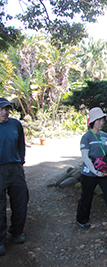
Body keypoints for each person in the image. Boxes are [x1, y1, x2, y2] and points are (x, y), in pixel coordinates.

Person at [76, 107, 107, 232]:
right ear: (92, 121)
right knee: (87, 196)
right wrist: (96, 172)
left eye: (102, 120)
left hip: (105, 172)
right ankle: (81, 219)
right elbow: (85, 158)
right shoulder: (86, 137)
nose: (102, 123)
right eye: (98, 120)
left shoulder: (105, 136)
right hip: (89, 173)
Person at [0, 97, 29, 256]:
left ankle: (16, 232)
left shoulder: (15, 124)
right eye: (1, 109)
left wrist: (20, 162)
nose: (4, 112)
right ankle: (0, 240)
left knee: (21, 201)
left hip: (15, 168)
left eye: (7, 109)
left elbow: (21, 145)